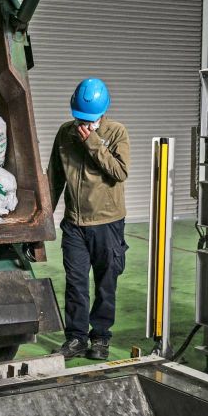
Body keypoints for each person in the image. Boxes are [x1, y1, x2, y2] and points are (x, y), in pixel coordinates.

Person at [46, 78, 130, 361]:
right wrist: (43, 213)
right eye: (80, 118)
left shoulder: (116, 132)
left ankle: (101, 338)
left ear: (102, 113)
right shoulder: (64, 133)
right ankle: (76, 338)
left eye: (89, 119)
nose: (84, 123)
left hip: (107, 223)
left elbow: (119, 171)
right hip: (74, 224)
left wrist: (93, 142)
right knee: (76, 282)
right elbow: (54, 177)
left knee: (106, 283)